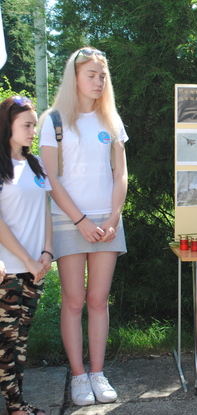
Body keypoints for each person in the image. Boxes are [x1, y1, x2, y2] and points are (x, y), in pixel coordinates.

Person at [39, 47, 128, 406]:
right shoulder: (54, 120)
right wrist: (80, 219)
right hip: (68, 220)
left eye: (102, 75)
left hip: (107, 223)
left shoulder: (111, 120)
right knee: (74, 300)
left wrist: (113, 217)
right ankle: (78, 376)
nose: (98, 81)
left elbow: (121, 174)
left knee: (98, 300)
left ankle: (98, 373)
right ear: (74, 77)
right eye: (91, 75)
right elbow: (50, 178)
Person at [0, 95, 52, 415]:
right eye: (27, 125)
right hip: (7, 269)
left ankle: (17, 402)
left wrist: (47, 252)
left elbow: (45, 210)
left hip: (36, 268)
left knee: (21, 340)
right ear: (8, 126)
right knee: (5, 344)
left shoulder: (35, 164)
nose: (33, 131)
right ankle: (16, 406)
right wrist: (28, 259)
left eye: (34, 125)